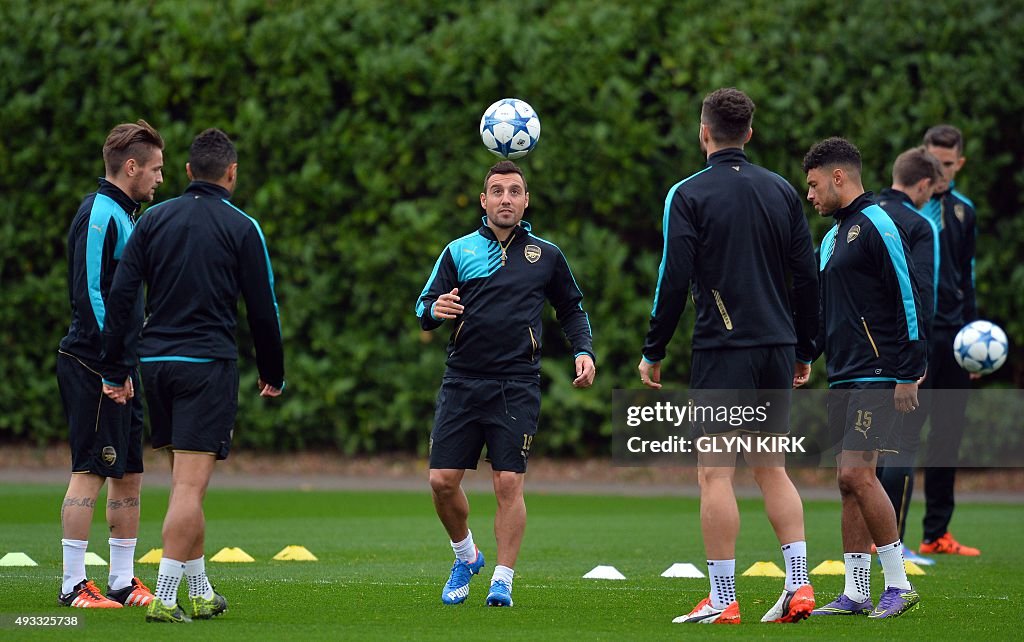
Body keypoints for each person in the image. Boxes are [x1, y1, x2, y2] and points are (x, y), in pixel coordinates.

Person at [638, 88, 819, 625]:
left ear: (704, 132)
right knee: (772, 468)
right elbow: (808, 278)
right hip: (777, 346)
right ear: (750, 134)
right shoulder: (783, 190)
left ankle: (722, 598)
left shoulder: (687, 194)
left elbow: (672, 278)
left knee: (714, 472)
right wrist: (805, 346)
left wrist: (654, 348)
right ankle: (799, 587)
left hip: (724, 349)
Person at [100, 128, 285, 623]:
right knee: (188, 489)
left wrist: (117, 367)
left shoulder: (153, 220)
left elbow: (122, 296)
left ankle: (200, 591)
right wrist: (274, 371)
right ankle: (165, 596)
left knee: (186, 482)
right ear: (232, 173)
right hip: (207, 367)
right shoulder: (242, 226)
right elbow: (262, 309)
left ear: (186, 172)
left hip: (156, 366)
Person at [416, 160, 596, 608]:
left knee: (508, 484)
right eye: (497, 191)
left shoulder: (546, 256)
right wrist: (434, 310)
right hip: (462, 380)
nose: (506, 199)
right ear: (483, 201)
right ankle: (466, 555)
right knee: (441, 481)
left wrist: (583, 350)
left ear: (526, 200)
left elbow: (572, 308)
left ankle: (503, 579)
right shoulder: (458, 251)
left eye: (514, 191)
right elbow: (423, 305)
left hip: (516, 383)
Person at [802, 137, 925, 619]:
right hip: (844, 374)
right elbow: (823, 311)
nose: (809, 195)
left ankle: (899, 583)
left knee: (859, 473)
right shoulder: (831, 238)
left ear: (838, 177)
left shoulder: (878, 223)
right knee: (845, 481)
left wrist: (910, 369)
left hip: (880, 371)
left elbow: (908, 295)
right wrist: (805, 356)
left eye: (813, 185)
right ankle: (855, 592)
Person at [57, 120, 164, 609]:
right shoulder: (99, 212)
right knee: (90, 471)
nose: (160, 179)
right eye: (157, 169)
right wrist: (111, 367)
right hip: (94, 364)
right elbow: (92, 295)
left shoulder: (127, 212)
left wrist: (126, 364)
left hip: (121, 365)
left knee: (129, 472)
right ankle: (73, 585)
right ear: (131, 166)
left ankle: (121, 579)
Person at [909, 125, 982, 556]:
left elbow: (966, 276)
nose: (939, 172)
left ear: (960, 164)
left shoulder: (963, 211)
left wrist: (972, 338)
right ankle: (890, 539)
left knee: (947, 435)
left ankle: (936, 534)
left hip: (955, 338)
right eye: (933, 163)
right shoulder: (903, 209)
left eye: (948, 165)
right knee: (903, 434)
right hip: (916, 336)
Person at [874, 147, 942, 566]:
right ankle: (892, 547)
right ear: (922, 185)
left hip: (860, 352)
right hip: (902, 352)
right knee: (900, 448)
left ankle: (862, 546)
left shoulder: (859, 213)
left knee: (863, 452)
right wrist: (920, 356)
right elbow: (923, 295)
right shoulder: (919, 224)